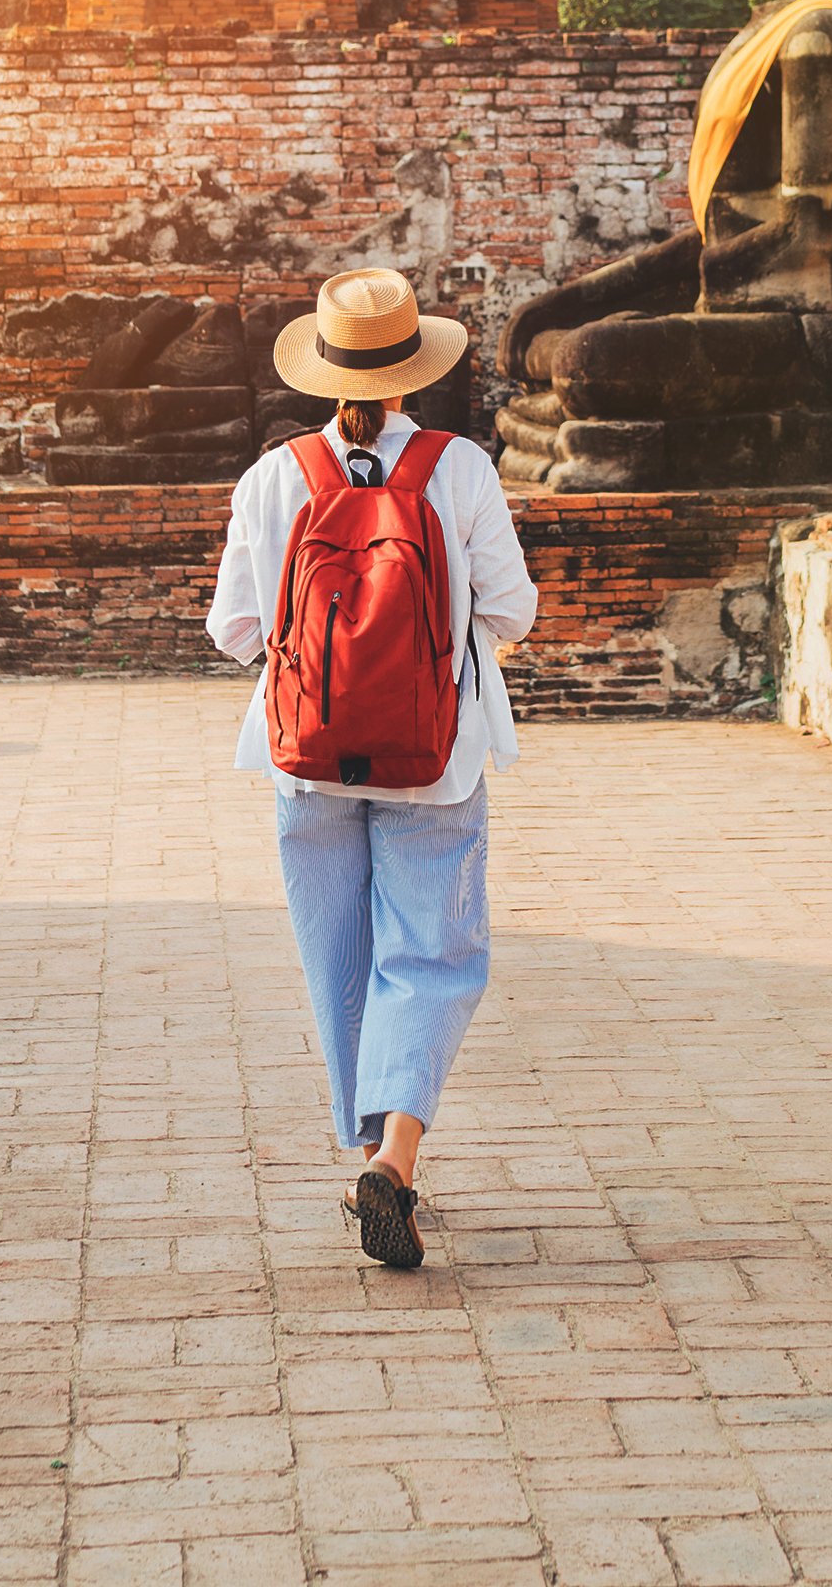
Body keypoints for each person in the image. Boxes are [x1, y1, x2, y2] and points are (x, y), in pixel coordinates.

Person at [207, 265, 537, 1271]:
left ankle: (370, 1154)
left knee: (336, 954)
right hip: (434, 757)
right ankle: (393, 1163)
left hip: (303, 756)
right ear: (412, 376)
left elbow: (233, 631)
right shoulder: (460, 469)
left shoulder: (274, 478)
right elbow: (513, 611)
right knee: (429, 954)